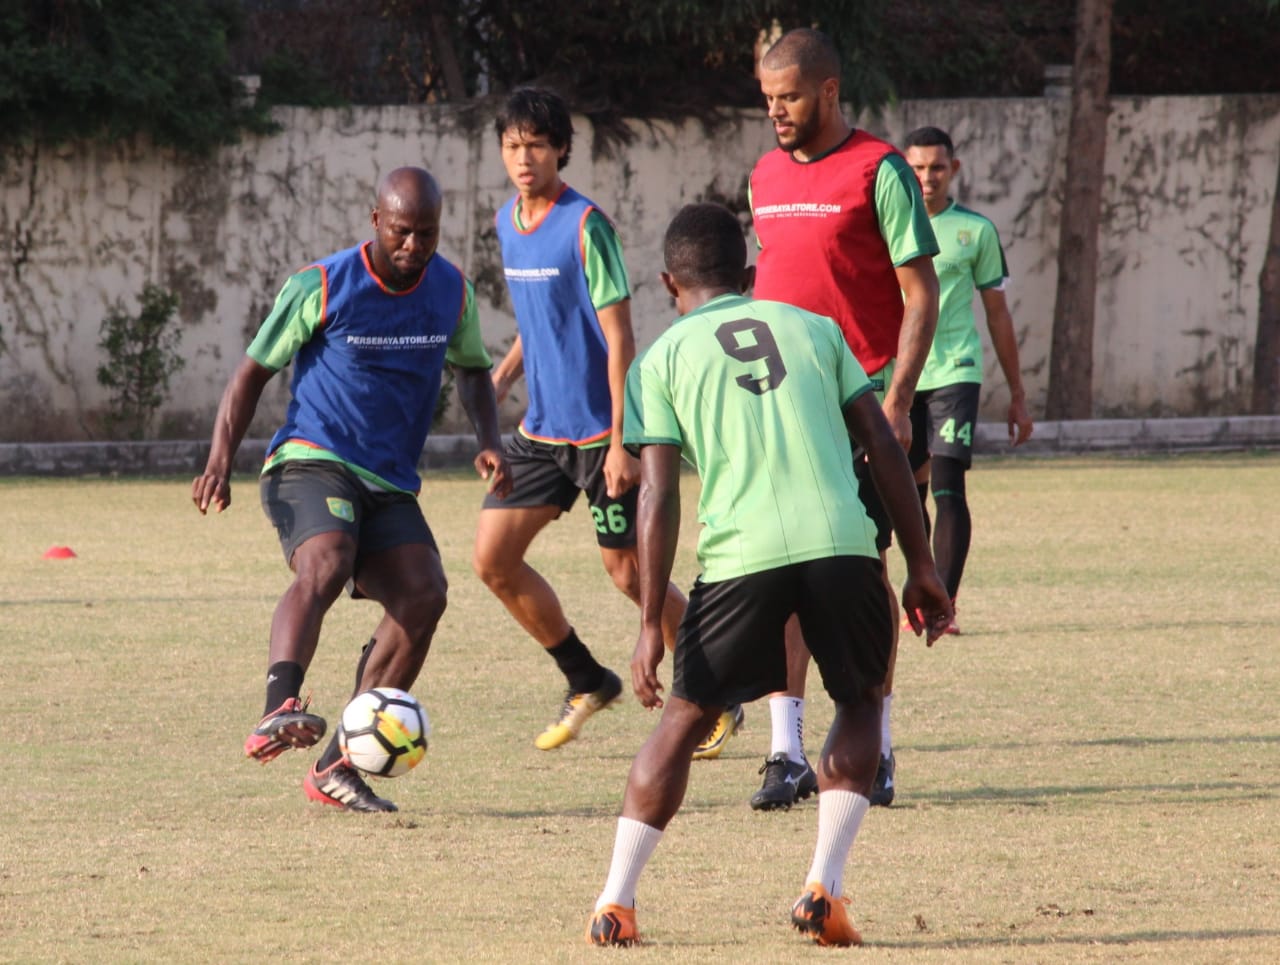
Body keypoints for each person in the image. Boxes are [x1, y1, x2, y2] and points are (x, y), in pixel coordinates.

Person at [585, 203, 951, 948]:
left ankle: (617, 901)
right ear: (749, 276)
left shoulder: (661, 360)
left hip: (738, 558)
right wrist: (922, 564)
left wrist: (651, 619)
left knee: (683, 719)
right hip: (843, 542)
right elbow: (882, 442)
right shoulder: (815, 329)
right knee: (860, 699)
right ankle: (824, 885)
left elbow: (657, 493)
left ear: (667, 283)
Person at [193, 167, 511, 812]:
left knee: (425, 595)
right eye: (401, 231)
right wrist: (219, 459)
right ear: (375, 220)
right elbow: (253, 370)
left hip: (389, 481)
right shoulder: (325, 284)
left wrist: (489, 438)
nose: (413, 246)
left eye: (426, 233)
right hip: (311, 460)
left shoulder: (452, 291)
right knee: (329, 560)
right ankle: (277, 704)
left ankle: (339, 761)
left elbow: (474, 371)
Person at [747, 27, 940, 811]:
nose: (776, 113)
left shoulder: (880, 169)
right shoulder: (762, 173)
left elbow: (921, 294)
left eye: (788, 97)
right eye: (767, 100)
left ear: (828, 91)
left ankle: (878, 746)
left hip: (867, 405)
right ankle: (785, 753)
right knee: (778, 572)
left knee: (862, 579)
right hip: (782, 409)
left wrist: (896, 399)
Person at [471, 87, 689, 753]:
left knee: (627, 574)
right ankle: (587, 676)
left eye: (536, 143)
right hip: (542, 433)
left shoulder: (585, 225)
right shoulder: (508, 220)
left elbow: (619, 339)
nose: (524, 156)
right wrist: (501, 378)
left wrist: (624, 444)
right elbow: (542, 323)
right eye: (512, 145)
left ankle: (714, 690)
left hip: (603, 436)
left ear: (561, 148)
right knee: (492, 559)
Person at [902, 126, 1035, 631]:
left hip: (957, 370)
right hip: (903, 376)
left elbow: (997, 315)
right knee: (906, 492)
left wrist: (1018, 395)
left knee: (948, 485)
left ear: (953, 169)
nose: (927, 177)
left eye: (937, 167)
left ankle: (944, 604)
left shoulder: (975, 231)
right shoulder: (889, 230)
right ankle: (920, 583)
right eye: (917, 168)